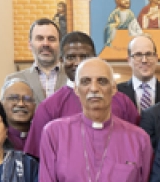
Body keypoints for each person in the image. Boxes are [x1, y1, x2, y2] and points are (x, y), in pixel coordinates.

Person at [24, 31, 139, 159]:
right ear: (61, 60)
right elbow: (37, 159)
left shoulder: (122, 102)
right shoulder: (49, 107)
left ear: (95, 57)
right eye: (71, 57)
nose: (78, 63)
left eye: (84, 57)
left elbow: (137, 145)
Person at [5, 18, 64, 103]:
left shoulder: (75, 78)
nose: (45, 44)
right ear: (30, 45)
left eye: (51, 39)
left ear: (60, 44)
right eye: (40, 38)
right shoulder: (13, 80)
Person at [117, 36, 160, 112]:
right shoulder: (116, 92)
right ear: (129, 60)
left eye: (148, 54)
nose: (144, 60)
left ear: (156, 58)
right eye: (138, 55)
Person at [1, 78, 37, 151]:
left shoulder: (43, 135)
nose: (21, 104)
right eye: (13, 98)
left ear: (34, 106)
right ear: (2, 103)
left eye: (27, 99)